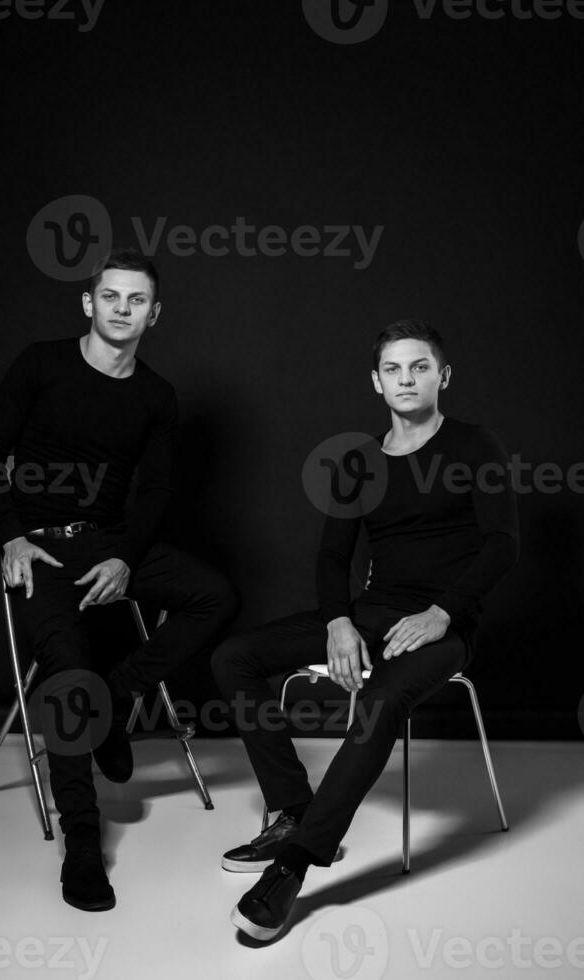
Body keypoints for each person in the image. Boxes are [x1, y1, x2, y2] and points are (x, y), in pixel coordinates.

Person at [211, 319, 520, 941]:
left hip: (444, 624)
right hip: (374, 612)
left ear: (443, 376)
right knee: (234, 658)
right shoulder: (359, 460)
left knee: (378, 702)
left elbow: (502, 545)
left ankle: (293, 868)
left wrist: (442, 614)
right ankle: (295, 811)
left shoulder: (473, 445)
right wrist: (338, 620)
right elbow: (332, 557)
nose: (407, 379)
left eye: (420, 367)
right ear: (377, 382)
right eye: (394, 370)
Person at [0, 247, 238, 911]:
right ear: (88, 303)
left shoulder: (155, 394)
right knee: (65, 667)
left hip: (111, 544)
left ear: (155, 313)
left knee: (216, 596)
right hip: (37, 546)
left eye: (137, 300)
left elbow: (153, 492)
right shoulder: (41, 363)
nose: (123, 309)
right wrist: (10, 536)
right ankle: (83, 849)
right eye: (111, 296)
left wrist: (124, 557)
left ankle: (114, 701)